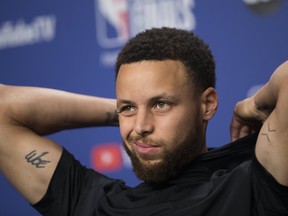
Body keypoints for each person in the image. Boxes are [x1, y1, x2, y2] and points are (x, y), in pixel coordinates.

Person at [0, 27, 287, 216]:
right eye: (127, 108)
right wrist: (130, 110)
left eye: (161, 104)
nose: (140, 128)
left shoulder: (253, 187)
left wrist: (252, 105)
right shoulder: (95, 205)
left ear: (207, 105)